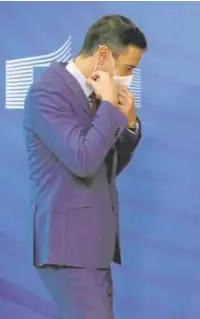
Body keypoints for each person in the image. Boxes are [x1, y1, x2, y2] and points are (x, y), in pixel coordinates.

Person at [23, 15, 147, 319]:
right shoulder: (48, 93)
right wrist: (108, 106)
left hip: (94, 246)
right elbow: (82, 160)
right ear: (104, 55)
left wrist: (129, 123)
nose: (129, 77)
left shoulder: (94, 95)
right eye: (128, 68)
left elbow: (105, 166)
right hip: (68, 248)